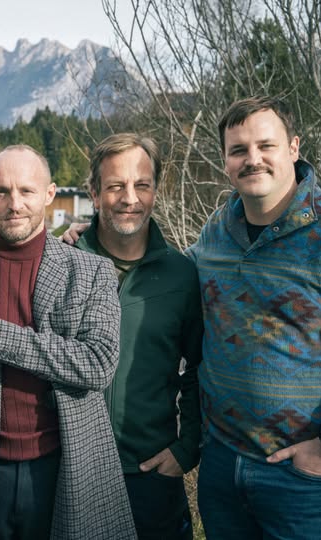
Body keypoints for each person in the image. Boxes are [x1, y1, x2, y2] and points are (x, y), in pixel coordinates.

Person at [189, 96, 321, 539]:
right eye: (238, 150)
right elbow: (171, 275)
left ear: (293, 147)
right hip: (222, 464)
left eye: (265, 145)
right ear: (225, 161)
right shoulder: (217, 230)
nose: (252, 159)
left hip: (302, 478)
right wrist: (90, 246)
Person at [0, 145, 136, 539]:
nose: (14, 204)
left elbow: (98, 364)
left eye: (26, 191)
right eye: (1, 192)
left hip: (64, 465)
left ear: (49, 193)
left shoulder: (92, 271)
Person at [74, 133, 202, 540]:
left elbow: (199, 368)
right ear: (94, 194)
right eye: (116, 186)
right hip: (72, 473)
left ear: (155, 192)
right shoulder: (64, 263)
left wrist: (187, 447)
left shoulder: (182, 274)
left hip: (151, 475)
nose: (130, 198)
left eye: (142, 185)